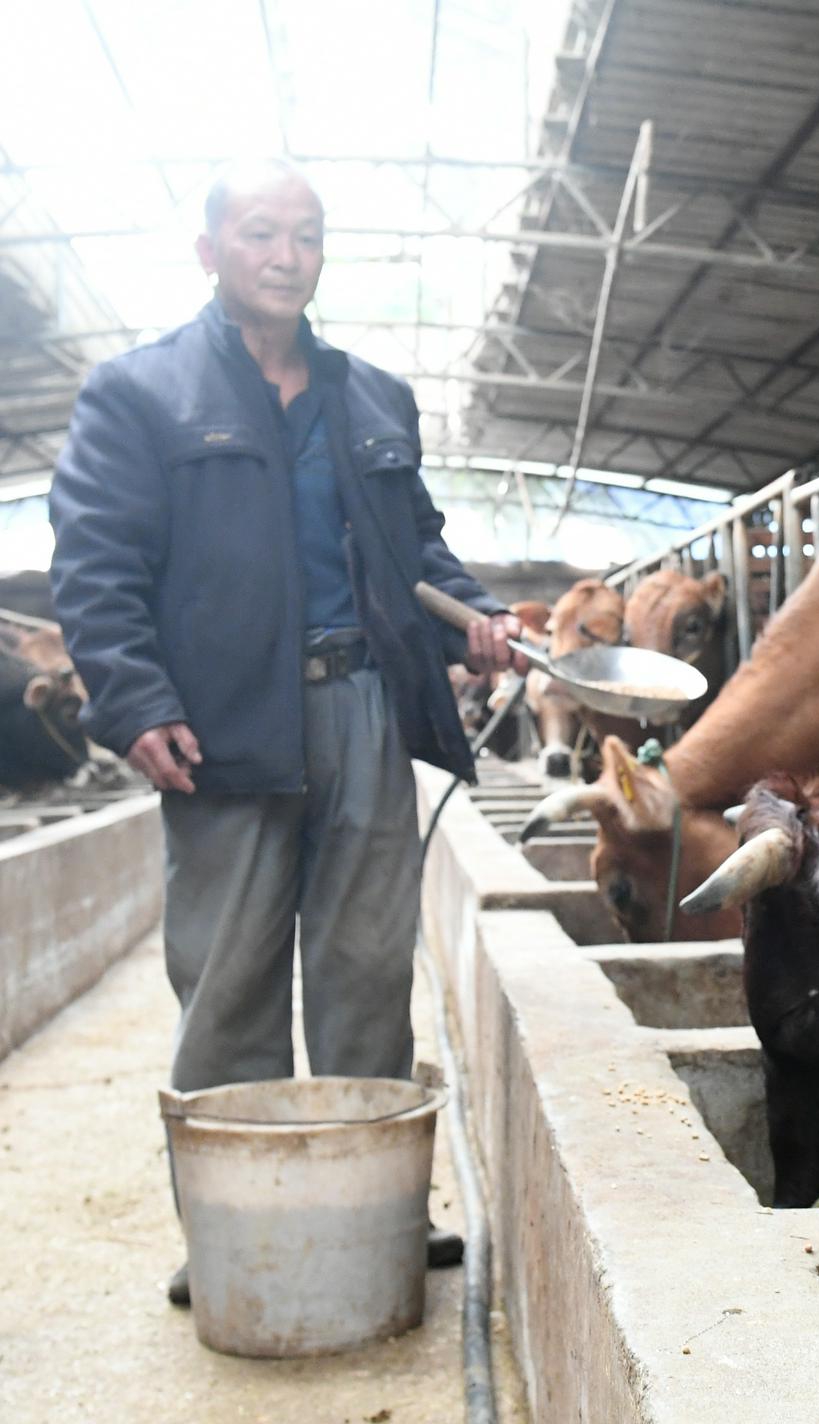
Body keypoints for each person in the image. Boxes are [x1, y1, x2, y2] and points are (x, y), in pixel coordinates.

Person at [47, 158, 526, 1307]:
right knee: (228, 979)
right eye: (260, 232)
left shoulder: (372, 397)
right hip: (222, 723)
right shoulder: (140, 393)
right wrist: (134, 700)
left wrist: (479, 617)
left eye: (305, 234)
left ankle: (378, 1218)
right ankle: (233, 1232)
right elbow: (97, 567)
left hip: (363, 704)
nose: (285, 253)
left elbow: (417, 552)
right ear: (209, 249)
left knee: (366, 970)